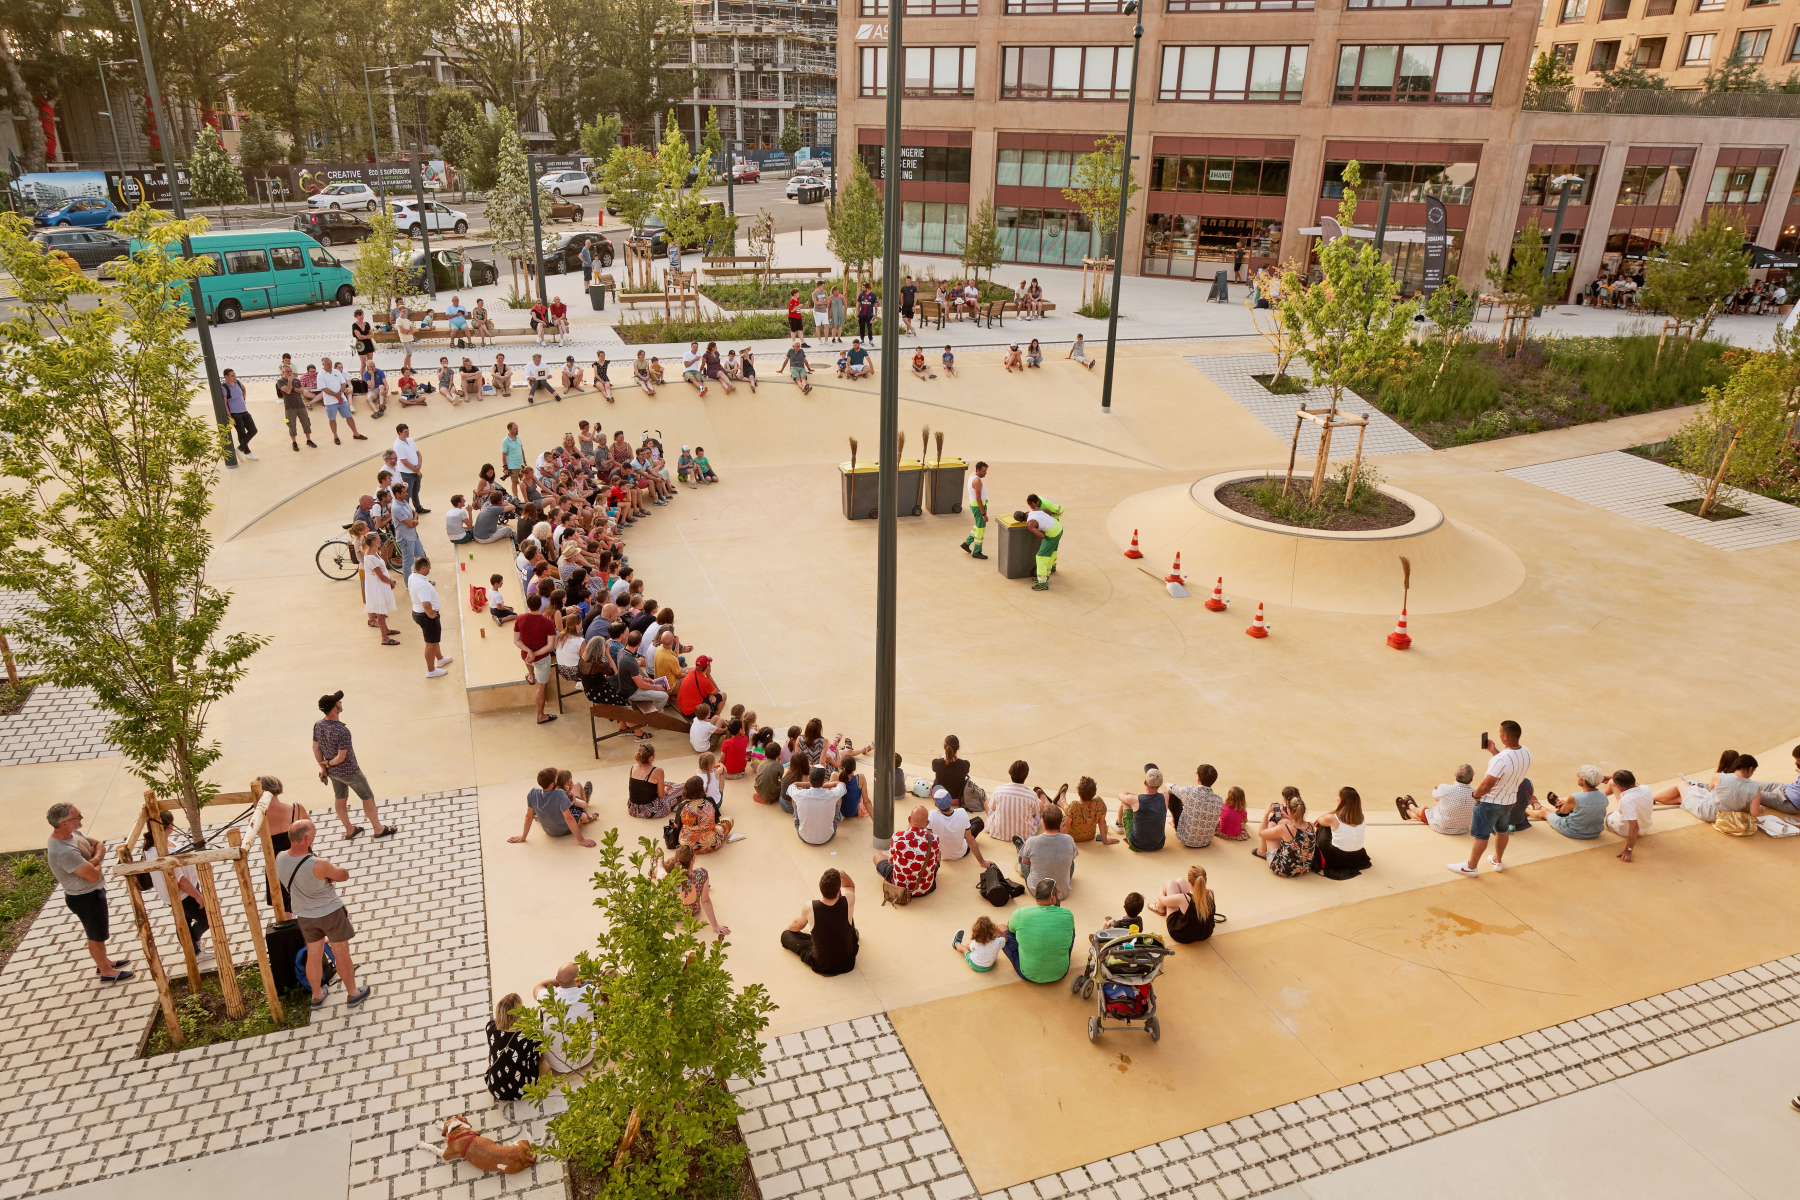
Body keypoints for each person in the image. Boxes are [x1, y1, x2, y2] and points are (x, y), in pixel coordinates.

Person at [276, 819, 371, 1008]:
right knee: (341, 952)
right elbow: (343, 875)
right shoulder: (318, 864)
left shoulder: (280, 857)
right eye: (314, 834)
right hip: (330, 914)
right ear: (307, 839)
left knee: (314, 953)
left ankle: (317, 996)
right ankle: (353, 993)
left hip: (305, 916)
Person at [45, 803, 131, 982]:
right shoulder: (64, 851)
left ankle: (105, 962)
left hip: (92, 893)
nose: (81, 818)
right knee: (96, 935)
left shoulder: (73, 834)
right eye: (78, 817)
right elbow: (92, 875)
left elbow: (98, 844)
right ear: (65, 823)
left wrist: (94, 860)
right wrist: (96, 861)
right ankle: (106, 971)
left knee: (99, 933)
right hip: (84, 897)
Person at [1450, 721, 1530, 878]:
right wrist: (1494, 751)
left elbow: (1487, 784)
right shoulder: (1526, 752)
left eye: (1500, 733)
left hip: (1490, 803)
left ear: (1506, 736)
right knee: (1502, 831)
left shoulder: (1499, 760)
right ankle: (1497, 860)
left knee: (1481, 835)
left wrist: (1475, 795)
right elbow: (1509, 765)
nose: (1499, 735)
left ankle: (1471, 867)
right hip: (1509, 800)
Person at [313, 691, 392, 840]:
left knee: (340, 799)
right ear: (335, 709)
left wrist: (324, 768)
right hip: (350, 771)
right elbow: (341, 757)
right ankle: (378, 829)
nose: (341, 703)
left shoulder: (318, 725)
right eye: (339, 702)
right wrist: (329, 763)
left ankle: (349, 830)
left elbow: (315, 748)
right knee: (367, 797)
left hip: (333, 773)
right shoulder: (342, 731)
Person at [1653, 749, 1765, 823]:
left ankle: (1651, 797)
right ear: (1750, 769)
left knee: (1681, 784)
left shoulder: (1719, 777)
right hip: (1725, 817)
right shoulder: (1755, 788)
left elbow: (1711, 791)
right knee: (1680, 797)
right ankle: (1670, 799)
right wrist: (1759, 808)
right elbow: (1754, 813)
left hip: (1707, 812)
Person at [782, 869, 858, 976]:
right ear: (838, 892)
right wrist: (843, 874)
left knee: (785, 936)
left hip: (822, 965)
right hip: (848, 963)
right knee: (848, 916)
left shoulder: (809, 907)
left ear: (821, 888)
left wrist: (788, 930)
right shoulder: (849, 899)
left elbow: (797, 926)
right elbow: (850, 886)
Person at [1000, 879, 1075, 984]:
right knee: (1071, 930)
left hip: (1027, 974)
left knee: (1001, 929)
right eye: (1058, 893)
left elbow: (1011, 929)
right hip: (1060, 972)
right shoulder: (1068, 914)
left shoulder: (1020, 913)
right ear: (1053, 899)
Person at [653, 845, 729, 937]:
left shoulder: (669, 879)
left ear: (676, 861)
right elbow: (705, 901)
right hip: (692, 912)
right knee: (698, 884)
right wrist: (715, 926)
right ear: (693, 859)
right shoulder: (702, 874)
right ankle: (658, 865)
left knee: (660, 874)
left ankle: (659, 863)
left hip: (672, 915)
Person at [532, 963, 596, 1073]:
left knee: (544, 1009)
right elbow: (598, 983)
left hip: (555, 1063)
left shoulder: (546, 996)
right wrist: (584, 981)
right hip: (587, 1057)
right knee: (594, 1004)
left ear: (557, 979)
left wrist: (561, 982)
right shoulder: (591, 992)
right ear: (579, 980)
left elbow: (538, 986)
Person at [874, 805, 941, 898]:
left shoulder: (898, 836)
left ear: (909, 819)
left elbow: (892, 856)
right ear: (927, 823)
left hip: (900, 888)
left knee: (877, 855)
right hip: (925, 889)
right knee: (938, 853)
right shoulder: (934, 839)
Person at [1527, 765, 1609, 840]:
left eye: (1579, 776)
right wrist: (1567, 803)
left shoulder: (1575, 797)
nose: (1577, 776)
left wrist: (1565, 805)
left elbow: (1562, 812)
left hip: (1575, 831)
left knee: (1545, 812)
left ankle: (1525, 809)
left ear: (1584, 782)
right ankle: (1538, 807)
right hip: (1595, 832)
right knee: (1554, 810)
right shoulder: (1603, 795)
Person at [513, 593, 559, 725]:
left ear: (528, 605)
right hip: (542, 658)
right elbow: (550, 645)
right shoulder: (548, 622)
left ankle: (531, 676)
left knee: (529, 662)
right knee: (541, 688)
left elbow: (516, 640)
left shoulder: (520, 618)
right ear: (540, 605)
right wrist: (535, 653)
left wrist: (529, 652)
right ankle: (540, 715)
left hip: (526, 656)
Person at [485, 993, 541, 1102]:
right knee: (545, 1056)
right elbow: (536, 1057)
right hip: (523, 1089)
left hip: (495, 1088)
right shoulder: (528, 1034)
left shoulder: (490, 1027)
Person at [1147, 865, 1220, 945]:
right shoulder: (1211, 893)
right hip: (1205, 933)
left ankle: (1159, 908)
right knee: (1180, 880)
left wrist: (1162, 888)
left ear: (1189, 880)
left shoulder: (1183, 899)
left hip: (1183, 935)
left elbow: (1162, 899)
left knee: (1170, 883)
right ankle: (1176, 908)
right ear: (1204, 880)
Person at [1396, 765, 1476, 835]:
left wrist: (1435, 789)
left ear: (1456, 775)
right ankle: (1409, 814)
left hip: (1442, 826)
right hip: (1461, 829)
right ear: (1471, 779)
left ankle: (1410, 807)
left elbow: (1435, 796)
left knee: (1424, 809)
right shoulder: (1476, 794)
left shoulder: (1444, 788)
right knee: (1432, 813)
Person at [1018, 804, 1077, 898]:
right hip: (1062, 893)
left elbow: (1026, 862)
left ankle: (1021, 847)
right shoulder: (1069, 840)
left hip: (1038, 891)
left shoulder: (1032, 841)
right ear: (1060, 823)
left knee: (1022, 860)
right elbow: (1072, 857)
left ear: (1043, 822)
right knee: (1071, 862)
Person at [407, 556, 452, 678]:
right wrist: (432, 615)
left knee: (433, 640)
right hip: (426, 616)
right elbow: (426, 604)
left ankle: (440, 659)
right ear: (423, 568)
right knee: (430, 644)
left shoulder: (413, 576)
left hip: (417, 612)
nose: (430, 569)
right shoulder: (422, 585)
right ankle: (431, 670)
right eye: (428, 567)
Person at [1314, 786, 1370, 877]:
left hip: (1338, 857)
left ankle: (1319, 850)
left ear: (1341, 800)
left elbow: (1319, 820)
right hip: (1357, 854)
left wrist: (1337, 808)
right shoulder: (1361, 816)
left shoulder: (1332, 818)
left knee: (1323, 826)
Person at [1258, 790, 1315, 877]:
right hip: (1305, 868)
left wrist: (1267, 812)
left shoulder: (1286, 829)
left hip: (1285, 870)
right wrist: (1288, 817)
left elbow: (1261, 832)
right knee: (1283, 827)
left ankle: (1262, 852)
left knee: (1270, 826)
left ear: (1289, 811)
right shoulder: (1311, 825)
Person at [985, 760, 1044, 844]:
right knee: (1040, 805)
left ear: (1010, 773)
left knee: (987, 801)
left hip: (999, 832)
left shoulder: (999, 790)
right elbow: (1034, 814)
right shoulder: (1032, 795)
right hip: (1024, 835)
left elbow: (993, 808)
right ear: (1026, 776)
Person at [1168, 763, 1224, 849]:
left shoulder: (1189, 791)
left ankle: (1174, 821)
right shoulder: (1219, 801)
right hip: (1206, 841)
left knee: (1172, 794)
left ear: (1198, 778)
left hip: (1185, 840)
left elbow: (1169, 787)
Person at [790, 765, 849, 845]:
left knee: (794, 796)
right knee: (838, 796)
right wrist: (823, 785)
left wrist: (808, 784)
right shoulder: (831, 794)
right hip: (827, 836)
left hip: (804, 836)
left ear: (809, 779)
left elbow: (792, 786)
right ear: (824, 780)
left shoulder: (801, 794)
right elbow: (842, 784)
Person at [676, 775, 735, 853]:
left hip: (688, 846)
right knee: (729, 820)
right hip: (711, 844)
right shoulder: (710, 800)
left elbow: (677, 826)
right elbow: (716, 820)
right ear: (701, 788)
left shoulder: (682, 805)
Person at [929, 787, 988, 864]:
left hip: (942, 855)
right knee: (978, 821)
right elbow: (971, 841)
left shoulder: (932, 815)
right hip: (961, 853)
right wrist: (982, 862)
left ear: (935, 804)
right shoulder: (961, 812)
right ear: (951, 801)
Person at [1604, 769, 1652, 862]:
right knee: (1611, 782)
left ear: (1620, 787)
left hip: (1624, 829)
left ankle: (1595, 796)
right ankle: (1600, 793)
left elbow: (1634, 828)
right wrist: (1613, 779)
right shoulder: (1646, 788)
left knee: (1601, 816)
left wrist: (1628, 850)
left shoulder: (1626, 800)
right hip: (1645, 826)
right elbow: (1636, 785)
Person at [362, 532, 400, 647]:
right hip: (377, 588)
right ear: (373, 542)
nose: (380, 541)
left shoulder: (374, 553)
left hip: (380, 586)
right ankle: (384, 637)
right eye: (378, 539)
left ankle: (386, 630)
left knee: (382, 612)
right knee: (381, 614)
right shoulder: (370, 558)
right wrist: (391, 582)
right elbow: (381, 576)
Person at [627, 742, 683, 819]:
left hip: (633, 809)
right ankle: (674, 805)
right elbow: (661, 795)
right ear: (651, 758)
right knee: (683, 787)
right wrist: (666, 789)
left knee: (663, 783)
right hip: (651, 811)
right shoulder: (657, 771)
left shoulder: (633, 767)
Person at [317, 358, 365, 443]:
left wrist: (340, 393)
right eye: (328, 364)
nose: (330, 365)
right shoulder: (320, 375)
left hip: (342, 399)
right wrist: (336, 395)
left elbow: (343, 383)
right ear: (323, 364)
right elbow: (323, 388)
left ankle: (356, 433)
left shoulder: (336, 372)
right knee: (332, 419)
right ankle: (335, 436)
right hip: (330, 402)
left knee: (349, 416)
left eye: (331, 363)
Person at [277, 364, 315, 451]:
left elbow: (302, 391)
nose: (289, 373)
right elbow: (287, 390)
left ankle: (308, 440)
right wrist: (290, 382)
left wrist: (293, 387)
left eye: (290, 371)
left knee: (306, 423)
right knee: (292, 426)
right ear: (283, 372)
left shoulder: (297, 381)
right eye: (287, 372)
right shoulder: (281, 381)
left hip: (300, 406)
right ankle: (294, 442)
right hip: (290, 407)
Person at [221, 371, 257, 459]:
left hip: (244, 411)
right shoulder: (224, 387)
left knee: (253, 430)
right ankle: (247, 452)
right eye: (232, 376)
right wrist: (230, 417)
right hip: (235, 414)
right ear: (226, 377)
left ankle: (240, 449)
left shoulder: (238, 382)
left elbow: (244, 389)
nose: (234, 377)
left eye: (235, 375)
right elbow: (225, 404)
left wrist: (244, 399)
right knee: (241, 433)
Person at [393, 425, 425, 514]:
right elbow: (404, 461)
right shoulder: (398, 445)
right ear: (400, 432)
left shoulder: (410, 441)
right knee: (406, 494)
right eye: (405, 432)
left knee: (416, 491)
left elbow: (418, 454)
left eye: (408, 431)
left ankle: (418, 507)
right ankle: (406, 512)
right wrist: (417, 470)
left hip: (414, 471)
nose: (408, 433)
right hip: (406, 473)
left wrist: (419, 465)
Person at [931, 734, 972, 803]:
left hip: (939, 797)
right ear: (958, 748)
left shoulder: (936, 762)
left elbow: (934, 768)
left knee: (934, 783)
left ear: (944, 747)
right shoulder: (965, 764)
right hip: (957, 798)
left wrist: (941, 757)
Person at [961, 461, 989, 559]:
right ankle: (977, 551)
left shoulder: (973, 475)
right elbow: (978, 499)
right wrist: (984, 514)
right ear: (978, 470)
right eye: (983, 471)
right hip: (978, 507)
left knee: (977, 526)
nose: (985, 473)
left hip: (974, 505)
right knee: (980, 529)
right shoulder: (977, 481)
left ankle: (966, 543)